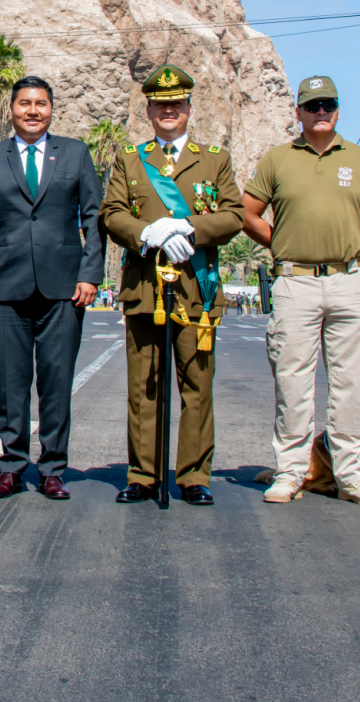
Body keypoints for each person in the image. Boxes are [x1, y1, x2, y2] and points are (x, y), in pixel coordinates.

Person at [0, 75, 104, 501]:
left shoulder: (75, 153)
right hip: (6, 289)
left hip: (64, 289)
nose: (33, 111)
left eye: (41, 104)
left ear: (51, 109)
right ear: (11, 109)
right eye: (25, 104)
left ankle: (52, 470)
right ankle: (11, 467)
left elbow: (94, 217)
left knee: (56, 382)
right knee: (12, 384)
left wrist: (90, 274)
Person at [242, 75, 360, 505]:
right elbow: (247, 214)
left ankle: (351, 476)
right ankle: (291, 472)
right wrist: (282, 243)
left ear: (338, 111)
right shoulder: (277, 159)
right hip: (296, 281)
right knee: (292, 383)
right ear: (298, 113)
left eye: (327, 105)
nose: (320, 112)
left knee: (350, 385)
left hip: (350, 280)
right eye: (312, 106)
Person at [101, 64, 243, 505]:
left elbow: (233, 215)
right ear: (148, 110)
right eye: (160, 105)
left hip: (196, 289)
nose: (168, 111)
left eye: (176, 104)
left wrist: (188, 228)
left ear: (189, 108)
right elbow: (112, 213)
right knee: (144, 385)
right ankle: (143, 475)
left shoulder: (214, 158)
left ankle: (194, 476)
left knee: (197, 386)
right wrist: (148, 232)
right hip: (145, 288)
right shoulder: (130, 158)